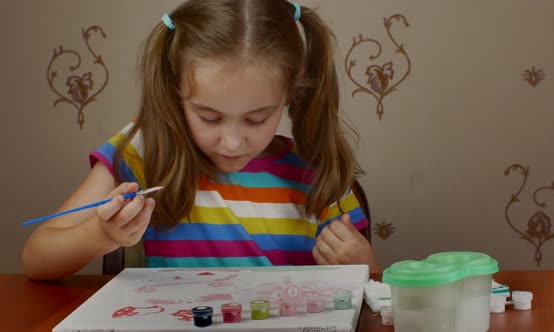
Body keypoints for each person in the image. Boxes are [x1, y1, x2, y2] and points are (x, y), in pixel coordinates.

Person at [22, 0, 379, 280]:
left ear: (289, 97)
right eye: (209, 117)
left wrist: (364, 265)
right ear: (178, 94)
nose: (232, 143)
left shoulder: (315, 168)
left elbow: (364, 286)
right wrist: (101, 233)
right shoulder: (145, 152)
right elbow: (36, 259)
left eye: (257, 118)